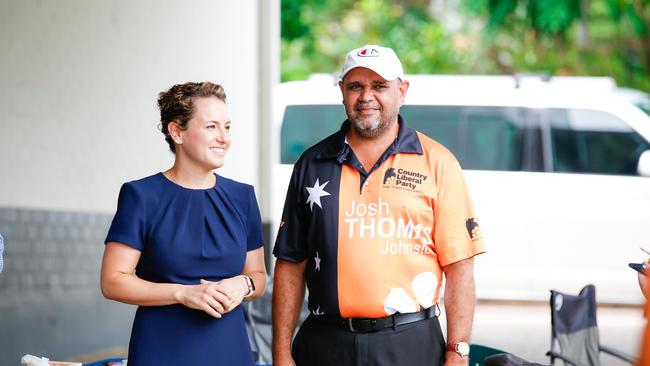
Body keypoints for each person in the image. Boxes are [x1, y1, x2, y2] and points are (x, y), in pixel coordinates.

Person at [272, 45, 486, 366]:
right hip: (324, 343)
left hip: (410, 343)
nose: (366, 96)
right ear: (342, 91)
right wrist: (281, 352)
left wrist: (457, 352)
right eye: (356, 86)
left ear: (402, 91)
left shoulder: (438, 163)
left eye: (379, 86)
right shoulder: (312, 163)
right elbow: (290, 264)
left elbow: (459, 268)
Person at [101, 81, 266, 365]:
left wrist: (243, 284)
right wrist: (183, 293)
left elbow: (259, 277)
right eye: (211, 127)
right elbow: (113, 281)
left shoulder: (243, 197)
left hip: (230, 349)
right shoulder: (141, 195)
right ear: (177, 131)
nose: (223, 138)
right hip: (162, 348)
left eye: (227, 127)